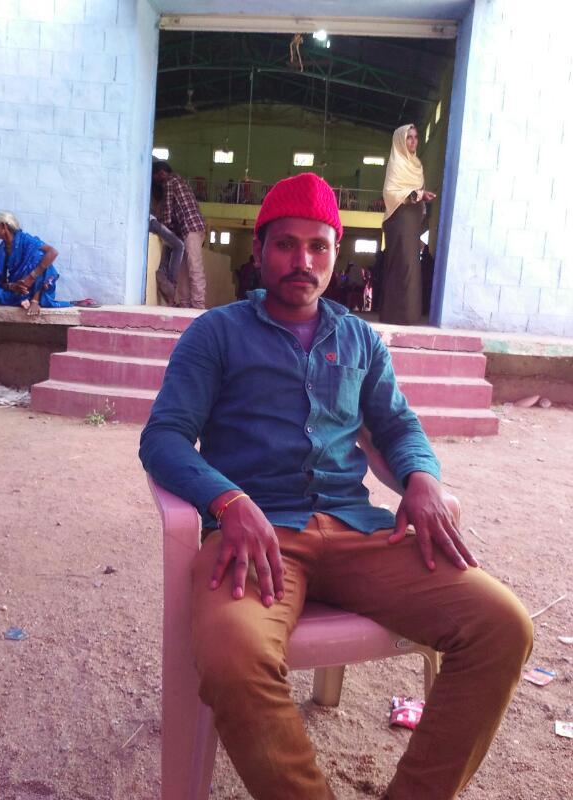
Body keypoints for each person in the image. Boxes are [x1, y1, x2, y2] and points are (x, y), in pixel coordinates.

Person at [140, 172, 533, 800]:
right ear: (259, 250)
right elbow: (163, 437)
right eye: (286, 244)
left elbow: (396, 426)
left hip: (358, 531)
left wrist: (422, 478)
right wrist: (228, 499)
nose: (303, 261)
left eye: (317, 246)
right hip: (256, 539)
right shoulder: (215, 333)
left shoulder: (359, 339)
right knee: (234, 658)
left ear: (335, 252)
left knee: (503, 626)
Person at [0, 212, 97, 316]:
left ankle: (34, 299)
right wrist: (13, 286)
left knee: (40, 256)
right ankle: (22, 299)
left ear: (4, 226)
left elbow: (53, 252)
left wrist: (31, 280)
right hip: (17, 291)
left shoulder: (26, 240)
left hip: (37, 288)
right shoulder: (1, 250)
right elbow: (1, 282)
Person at [379, 125, 436, 325]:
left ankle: (410, 315)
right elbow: (390, 193)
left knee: (412, 266)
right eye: (409, 138)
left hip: (412, 220)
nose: (413, 141)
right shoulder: (396, 163)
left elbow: (417, 193)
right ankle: (395, 315)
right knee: (402, 265)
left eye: (415, 137)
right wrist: (418, 194)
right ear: (400, 141)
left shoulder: (417, 165)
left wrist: (421, 197)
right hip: (399, 218)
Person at [151, 160, 207, 309]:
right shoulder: (180, 181)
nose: (157, 182)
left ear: (161, 173)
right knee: (184, 270)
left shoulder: (170, 181)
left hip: (191, 227)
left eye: (155, 178)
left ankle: (198, 305)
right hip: (190, 229)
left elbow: (167, 211)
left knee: (194, 267)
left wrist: (160, 226)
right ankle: (185, 303)